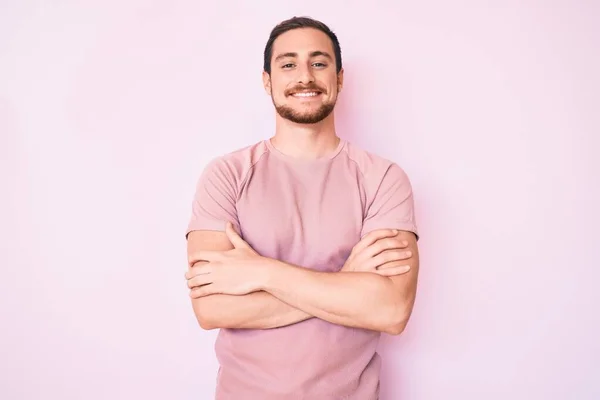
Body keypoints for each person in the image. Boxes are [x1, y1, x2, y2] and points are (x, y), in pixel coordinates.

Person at [184, 16, 420, 400]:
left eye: (319, 62)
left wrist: (261, 272)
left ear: (339, 79)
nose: (304, 76)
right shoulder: (227, 174)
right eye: (289, 64)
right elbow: (211, 308)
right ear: (268, 81)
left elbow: (390, 311)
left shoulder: (382, 178)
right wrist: (347, 282)